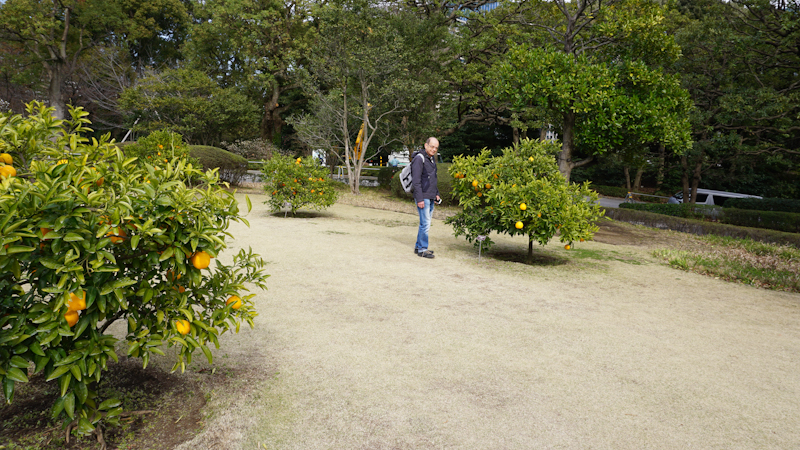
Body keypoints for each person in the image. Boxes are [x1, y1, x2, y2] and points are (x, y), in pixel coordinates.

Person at [412, 137, 441, 259]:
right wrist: (419, 199)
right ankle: (423, 249)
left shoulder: (431, 159)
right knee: (426, 224)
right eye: (432, 146)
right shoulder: (419, 158)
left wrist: (436, 194)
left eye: (436, 147)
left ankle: (419, 246)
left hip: (430, 195)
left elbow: (432, 178)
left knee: (424, 223)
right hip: (423, 196)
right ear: (426, 145)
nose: (434, 149)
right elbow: (416, 181)